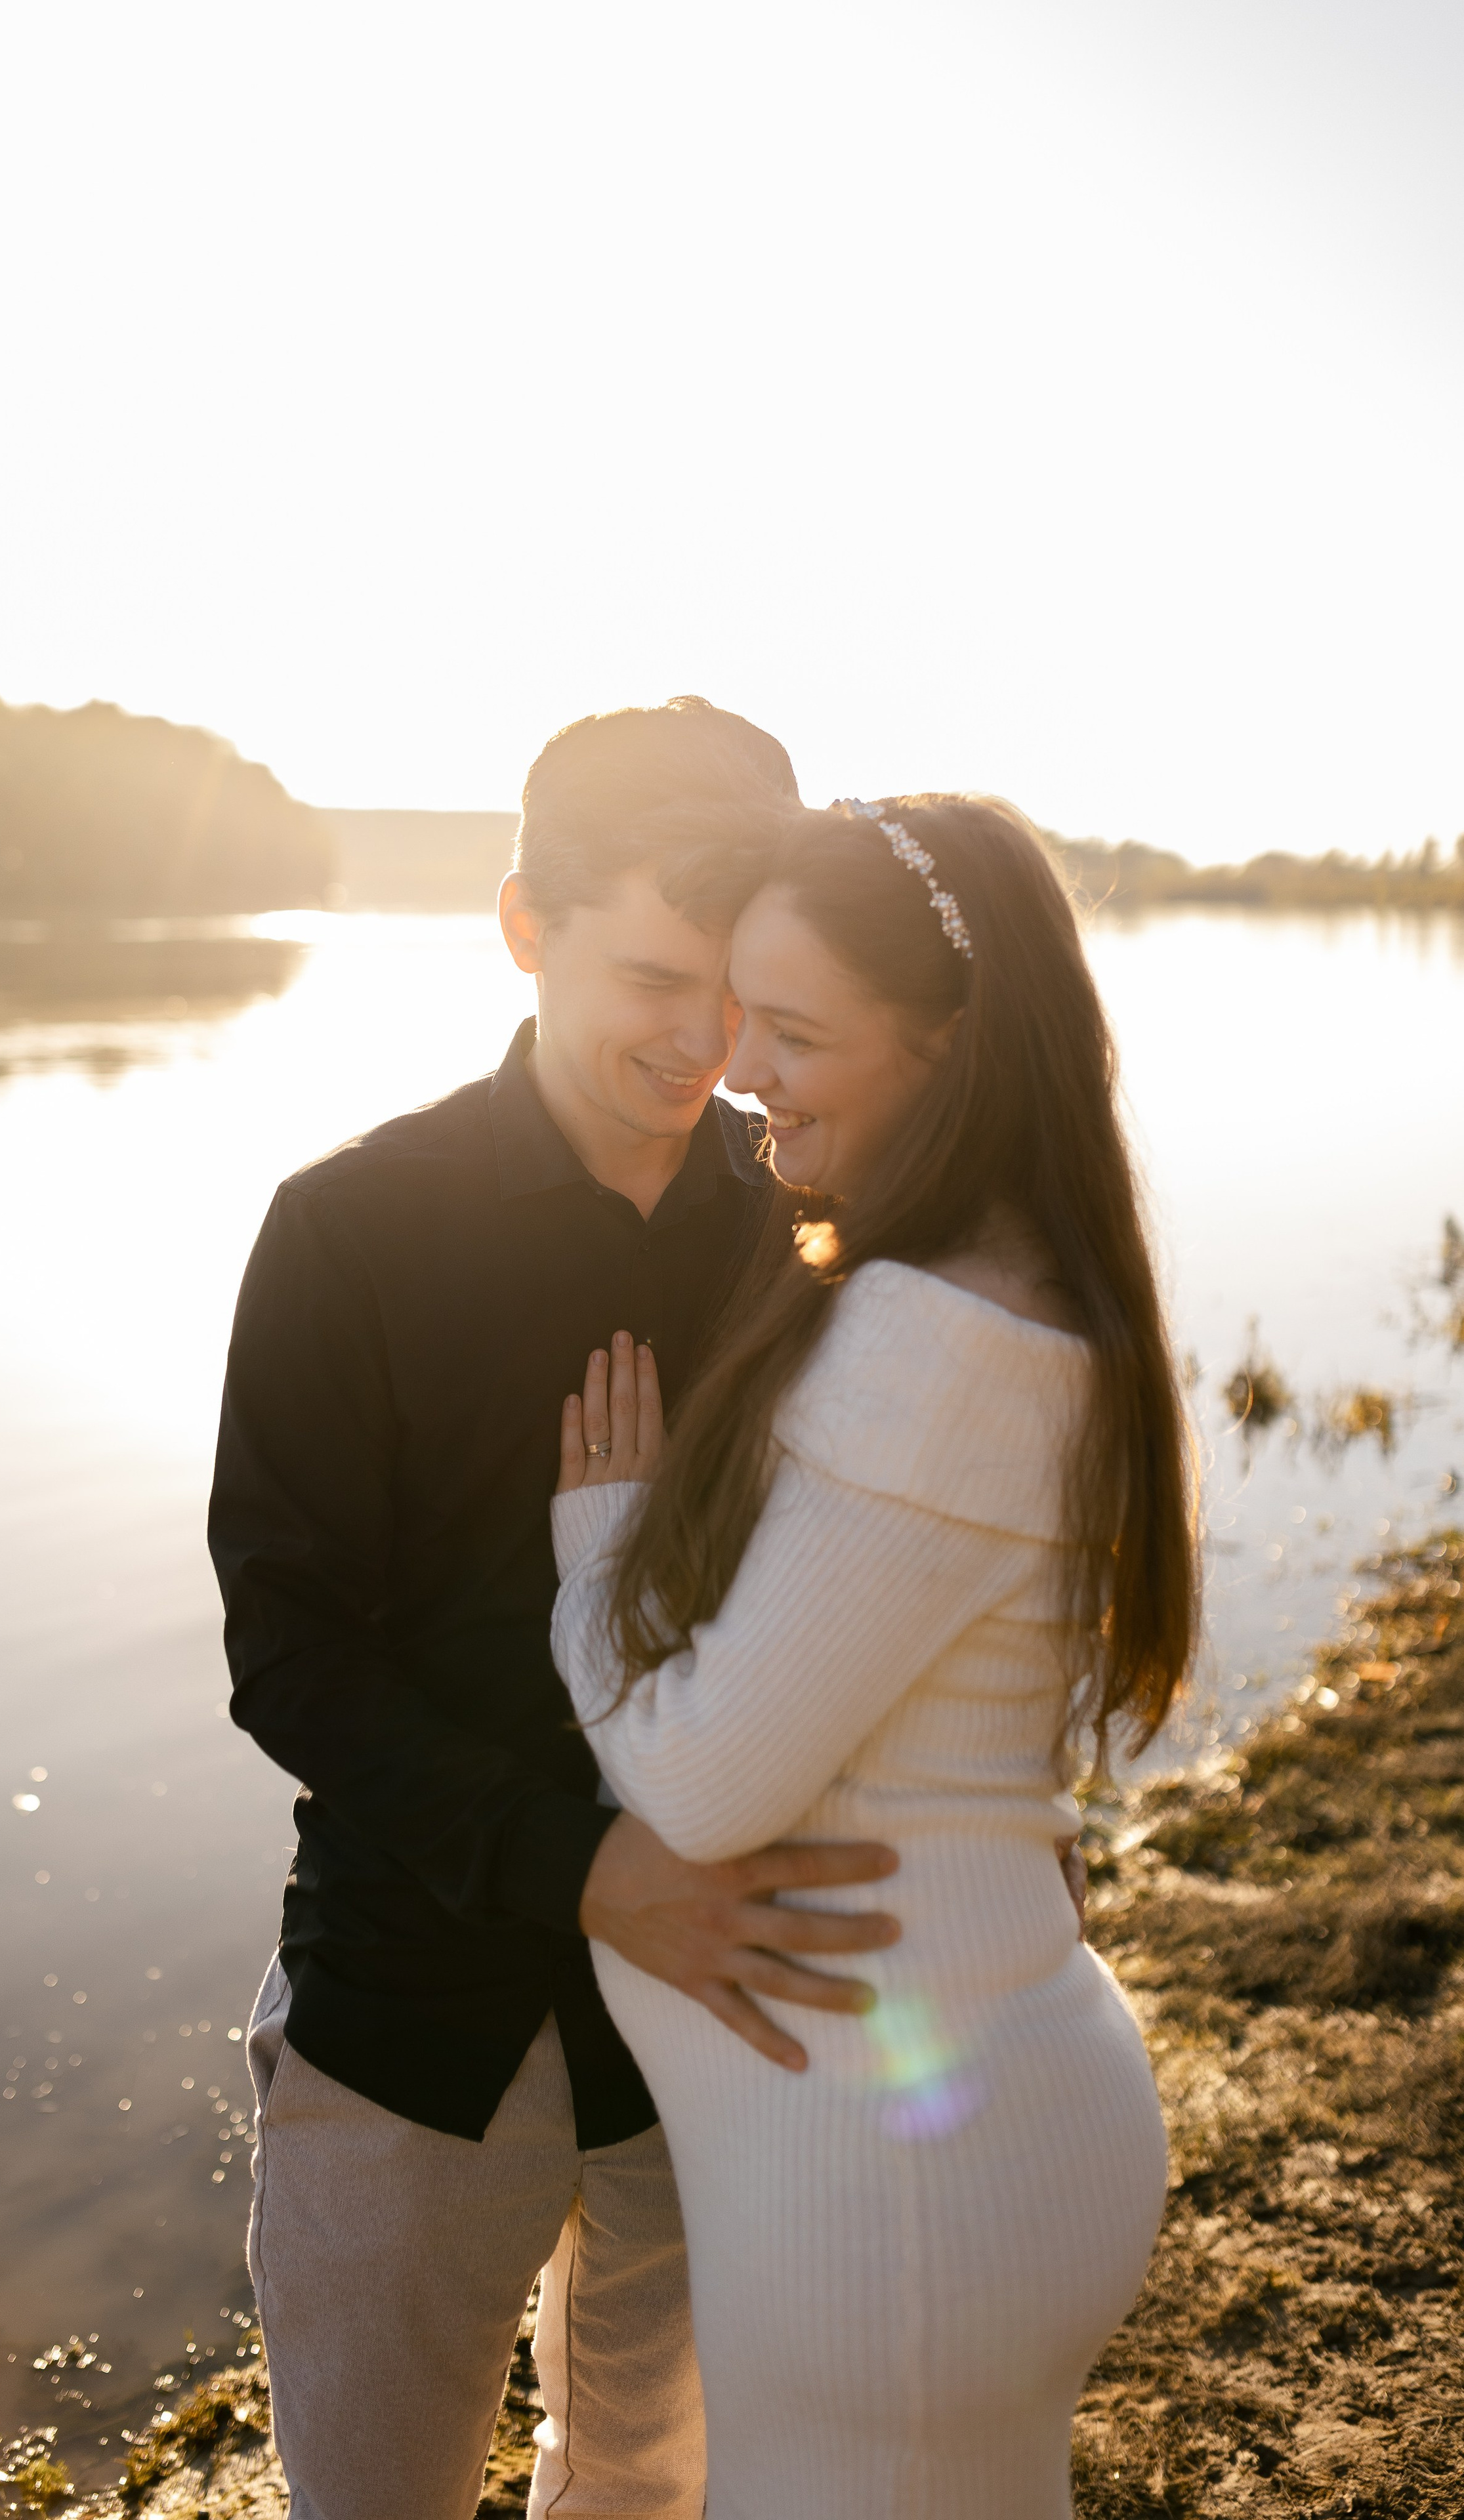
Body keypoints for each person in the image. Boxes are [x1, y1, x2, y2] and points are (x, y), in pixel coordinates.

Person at [205, 700, 912, 2520]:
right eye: (654, 980)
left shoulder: (812, 1237)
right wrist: (582, 1870)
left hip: (714, 2022)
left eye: (738, 998)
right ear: (525, 924)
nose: (703, 1046)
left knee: (651, 2495)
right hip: (412, 2023)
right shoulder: (348, 1231)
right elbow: (289, 1653)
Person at [550, 793, 1198, 2520]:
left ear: (949, 1044)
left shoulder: (934, 1344)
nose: (740, 1069)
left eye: (797, 1031)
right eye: (738, 1011)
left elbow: (699, 1784)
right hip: (945, 2144)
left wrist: (596, 1543)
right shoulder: (1017, 1286)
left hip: (891, 2203)